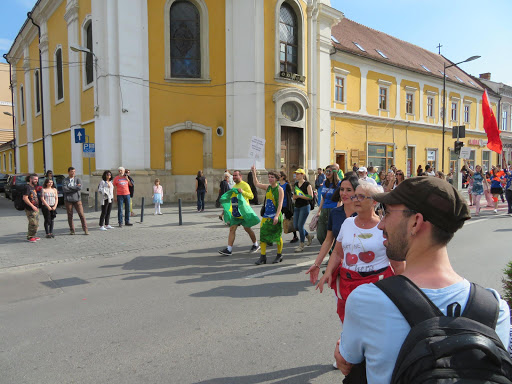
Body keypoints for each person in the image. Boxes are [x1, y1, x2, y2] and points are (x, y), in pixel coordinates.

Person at [335, 177, 511, 382]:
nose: (381, 224)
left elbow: (347, 359)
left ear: (415, 222)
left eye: (388, 212)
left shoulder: (367, 300)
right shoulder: (496, 308)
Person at [317, 181, 404, 323]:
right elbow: (338, 253)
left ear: (374, 201)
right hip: (347, 284)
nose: (356, 200)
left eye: (362, 197)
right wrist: (327, 272)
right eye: (355, 196)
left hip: (377, 286)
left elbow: (399, 265)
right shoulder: (348, 223)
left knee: (373, 327)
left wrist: (400, 293)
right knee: (349, 327)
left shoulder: (384, 227)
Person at [306, 175, 359, 284]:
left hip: (362, 266)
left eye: (349, 190)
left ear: (356, 192)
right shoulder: (335, 213)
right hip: (341, 265)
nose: (344, 193)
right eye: (342, 189)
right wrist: (317, 264)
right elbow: (328, 240)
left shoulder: (362, 213)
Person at [218, 170, 260, 256]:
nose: (234, 177)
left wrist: (242, 192)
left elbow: (251, 196)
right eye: (233, 176)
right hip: (235, 212)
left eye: (235, 175)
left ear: (240, 176)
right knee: (232, 229)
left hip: (243, 212)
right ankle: (229, 249)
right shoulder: (234, 186)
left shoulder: (245, 185)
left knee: (247, 228)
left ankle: (255, 244)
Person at [251, 166, 284, 265]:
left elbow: (280, 204)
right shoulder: (268, 187)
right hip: (266, 216)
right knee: (263, 235)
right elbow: (256, 183)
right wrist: (254, 172)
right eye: (269, 177)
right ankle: (263, 257)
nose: (270, 179)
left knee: (277, 236)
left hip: (275, 216)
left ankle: (279, 255)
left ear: (277, 179)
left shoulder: (280, 189)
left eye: (272, 177)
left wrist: (277, 216)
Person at [316, 165, 340, 245]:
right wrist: (319, 211)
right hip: (324, 210)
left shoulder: (339, 184)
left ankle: (332, 253)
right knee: (320, 235)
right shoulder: (325, 183)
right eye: (326, 171)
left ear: (334, 172)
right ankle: (329, 251)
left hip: (333, 210)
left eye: (329, 171)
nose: (327, 173)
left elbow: (340, 199)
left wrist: (337, 211)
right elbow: (323, 198)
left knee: (333, 235)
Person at [293, 168, 314, 252]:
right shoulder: (295, 184)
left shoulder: (307, 184)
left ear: (302, 175)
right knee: (296, 226)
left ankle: (301, 244)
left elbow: (310, 196)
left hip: (305, 207)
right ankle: (308, 235)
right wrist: (294, 197)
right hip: (297, 206)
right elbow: (294, 195)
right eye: (296, 174)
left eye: (298, 174)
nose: (296, 175)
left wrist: (300, 196)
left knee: (300, 225)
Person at [62, 167, 89, 235]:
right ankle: (72, 230)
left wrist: (70, 187)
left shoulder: (78, 179)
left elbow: (79, 187)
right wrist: (75, 187)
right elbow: (65, 189)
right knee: (70, 215)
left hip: (77, 199)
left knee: (81, 214)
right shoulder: (65, 180)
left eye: (74, 171)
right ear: (68, 172)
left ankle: (85, 229)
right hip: (68, 200)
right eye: (72, 171)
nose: (73, 173)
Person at [279, 171, 298, 243]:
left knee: (290, 220)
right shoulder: (278, 184)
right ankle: (274, 237)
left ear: (283, 177)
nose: (278, 177)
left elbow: (290, 195)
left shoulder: (286, 185)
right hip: (279, 206)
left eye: (279, 176)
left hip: (286, 206)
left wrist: (289, 206)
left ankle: (295, 236)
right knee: (277, 221)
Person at [23, 174, 41, 243]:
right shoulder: (27, 187)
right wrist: (32, 206)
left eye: (37, 179)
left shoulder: (33, 187)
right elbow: (25, 198)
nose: (37, 181)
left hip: (36, 208)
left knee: (36, 223)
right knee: (33, 223)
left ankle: (33, 235)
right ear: (30, 179)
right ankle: (30, 236)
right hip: (30, 209)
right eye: (35, 179)